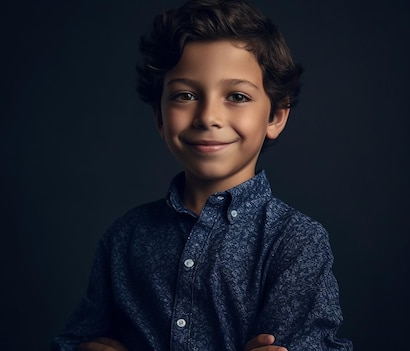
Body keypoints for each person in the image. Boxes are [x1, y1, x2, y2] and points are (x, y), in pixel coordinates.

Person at [52, 0, 353, 350]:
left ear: (276, 117)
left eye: (237, 96)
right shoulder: (125, 238)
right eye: (186, 95)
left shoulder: (295, 243)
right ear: (160, 117)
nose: (208, 116)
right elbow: (77, 339)